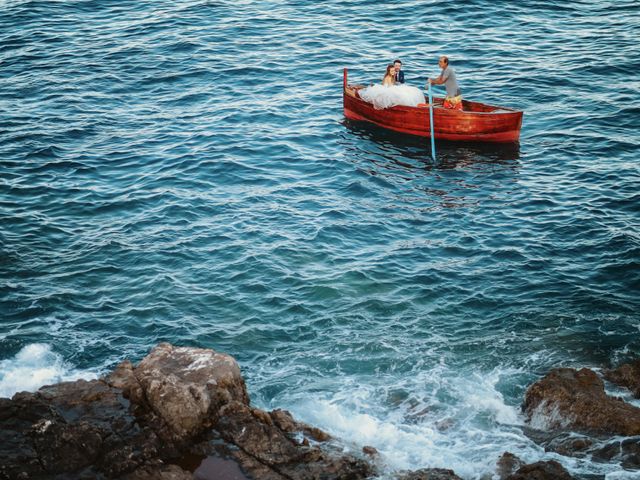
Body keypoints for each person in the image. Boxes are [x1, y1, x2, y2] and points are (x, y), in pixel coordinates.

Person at [358, 64, 425, 110]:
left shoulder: (392, 77)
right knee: (401, 95)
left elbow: (393, 85)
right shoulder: (388, 77)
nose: (393, 72)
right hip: (387, 90)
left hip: (391, 88)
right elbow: (387, 87)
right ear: (389, 71)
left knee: (411, 92)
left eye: (394, 71)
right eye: (392, 71)